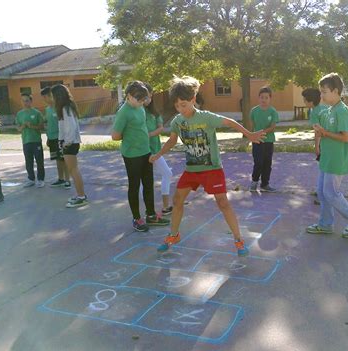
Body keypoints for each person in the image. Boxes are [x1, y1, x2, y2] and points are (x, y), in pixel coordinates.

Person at [149, 75, 266, 256]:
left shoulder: (206, 117)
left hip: (212, 169)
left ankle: (238, 240)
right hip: (192, 170)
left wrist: (249, 134)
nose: (181, 109)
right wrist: (158, 154)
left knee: (223, 203)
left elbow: (230, 122)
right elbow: (172, 141)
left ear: (193, 100)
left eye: (184, 105)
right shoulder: (177, 121)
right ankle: (174, 235)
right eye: (177, 105)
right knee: (177, 200)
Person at [306, 73, 348, 238]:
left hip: (337, 160)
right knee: (322, 192)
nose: (321, 95)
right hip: (327, 159)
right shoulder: (329, 110)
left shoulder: (342, 111)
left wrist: (324, 132)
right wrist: (320, 133)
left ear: (335, 91)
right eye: (321, 91)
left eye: (324, 91)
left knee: (331, 193)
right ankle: (325, 224)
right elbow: (327, 133)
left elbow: (346, 137)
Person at [112, 81, 169, 231]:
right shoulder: (124, 112)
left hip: (146, 152)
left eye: (144, 100)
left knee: (149, 184)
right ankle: (137, 219)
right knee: (134, 186)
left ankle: (150, 215)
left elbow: (142, 126)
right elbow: (115, 136)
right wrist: (132, 137)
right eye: (139, 99)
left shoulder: (140, 107)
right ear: (129, 96)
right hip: (132, 155)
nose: (142, 102)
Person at [51, 84, 88, 208]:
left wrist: (66, 143)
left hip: (70, 143)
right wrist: (61, 142)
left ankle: (81, 197)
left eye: (53, 96)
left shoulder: (66, 108)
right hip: (68, 143)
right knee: (73, 170)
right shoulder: (65, 108)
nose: (52, 98)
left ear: (58, 95)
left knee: (73, 170)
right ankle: (80, 195)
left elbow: (71, 128)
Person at [143, 83, 173, 215]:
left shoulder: (154, 112)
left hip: (155, 150)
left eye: (150, 96)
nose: (148, 99)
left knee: (167, 173)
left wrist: (149, 135)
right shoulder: (136, 111)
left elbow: (161, 128)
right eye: (145, 96)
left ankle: (166, 207)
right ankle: (144, 211)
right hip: (142, 150)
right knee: (143, 181)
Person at [249, 86, 279, 192]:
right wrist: (253, 136)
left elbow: (273, 127)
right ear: (259, 98)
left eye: (266, 97)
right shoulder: (254, 111)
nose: (264, 100)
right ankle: (254, 182)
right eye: (262, 97)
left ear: (270, 98)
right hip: (257, 141)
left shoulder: (273, 111)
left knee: (267, 163)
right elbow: (252, 126)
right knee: (258, 162)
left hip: (268, 141)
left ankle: (265, 184)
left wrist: (261, 132)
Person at [40, 87, 71, 189]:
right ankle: (60, 179)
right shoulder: (47, 110)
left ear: (51, 96)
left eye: (45, 97)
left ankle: (67, 180)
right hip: (52, 138)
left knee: (64, 159)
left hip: (61, 138)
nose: (44, 99)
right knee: (57, 159)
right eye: (43, 97)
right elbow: (49, 124)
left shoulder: (60, 108)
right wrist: (48, 138)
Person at [15, 94, 45, 188]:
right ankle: (31, 179)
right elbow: (18, 128)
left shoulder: (37, 113)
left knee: (39, 161)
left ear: (31, 101)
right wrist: (23, 126)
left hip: (36, 141)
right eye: (23, 100)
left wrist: (31, 126)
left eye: (27, 100)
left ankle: (41, 179)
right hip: (26, 141)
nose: (25, 102)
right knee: (28, 161)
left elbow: (42, 126)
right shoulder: (19, 114)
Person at [301, 88, 329, 161]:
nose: (303, 102)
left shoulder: (313, 113)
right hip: (332, 140)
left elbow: (318, 131)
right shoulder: (325, 107)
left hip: (323, 143)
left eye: (305, 100)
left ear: (311, 102)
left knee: (322, 165)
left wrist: (316, 147)